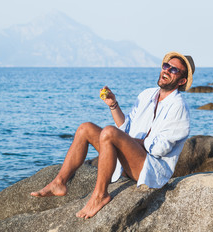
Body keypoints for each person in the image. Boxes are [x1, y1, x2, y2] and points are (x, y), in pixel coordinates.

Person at [31, 51, 195, 219]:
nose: (166, 70)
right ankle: (59, 183)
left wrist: (125, 142)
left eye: (174, 70)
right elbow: (126, 128)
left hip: (151, 169)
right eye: (166, 66)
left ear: (182, 81)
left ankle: (100, 195)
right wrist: (113, 104)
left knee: (109, 132)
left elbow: (160, 148)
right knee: (85, 128)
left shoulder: (179, 107)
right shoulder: (147, 95)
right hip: (129, 160)